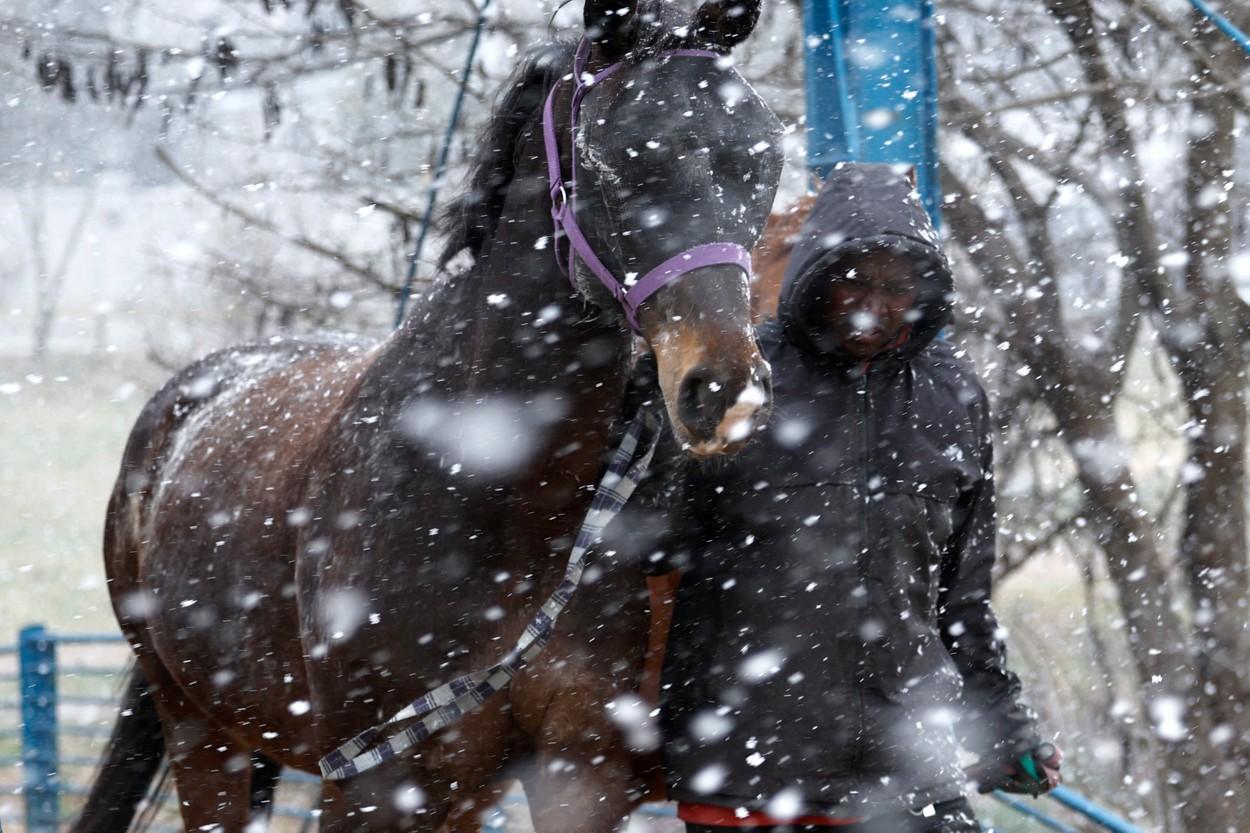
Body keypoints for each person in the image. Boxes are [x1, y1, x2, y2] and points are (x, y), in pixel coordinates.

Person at [645, 163, 1061, 832]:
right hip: (750, 765)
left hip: (905, 765)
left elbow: (961, 594)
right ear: (816, 277)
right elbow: (651, 547)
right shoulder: (745, 381)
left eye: (897, 287)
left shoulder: (953, 397)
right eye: (855, 280)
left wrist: (1004, 724)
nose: (874, 303)